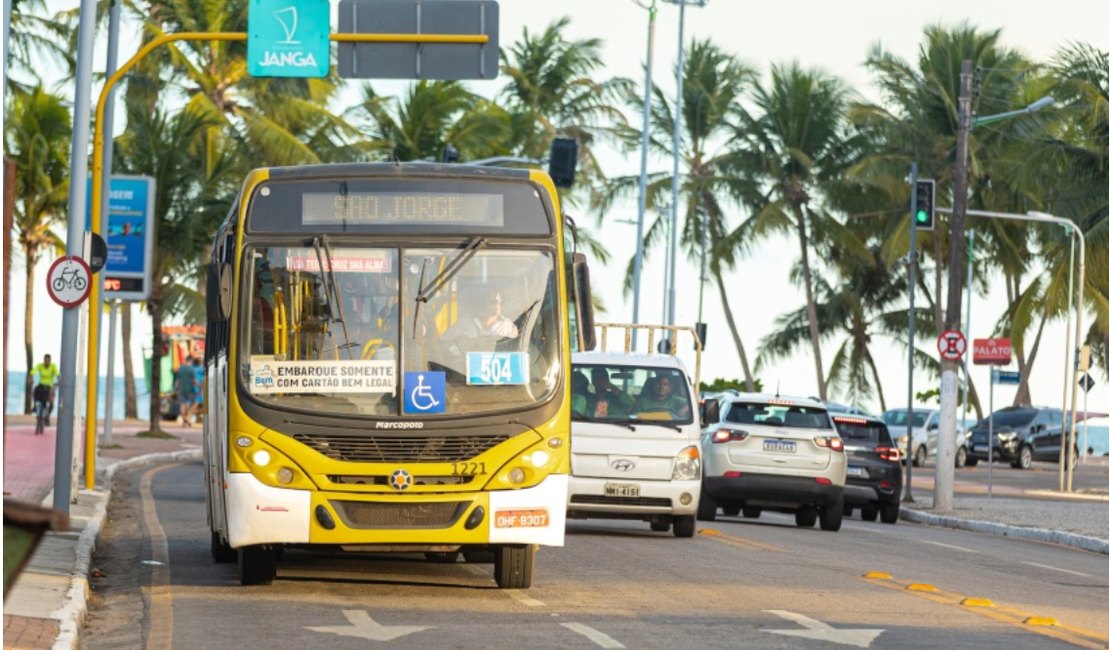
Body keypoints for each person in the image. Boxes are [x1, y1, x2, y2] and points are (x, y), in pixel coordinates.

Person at [443, 287, 519, 339]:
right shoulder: (464, 323)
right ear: (484, 303)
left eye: (500, 302)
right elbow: (444, 341)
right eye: (493, 302)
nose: (497, 305)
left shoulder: (507, 326)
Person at [31, 353, 60, 428]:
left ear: (50, 361)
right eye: (45, 360)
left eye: (48, 360)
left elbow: (57, 374)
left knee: (51, 401)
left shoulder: (53, 366)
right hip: (41, 385)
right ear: (44, 360)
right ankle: (34, 406)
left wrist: (57, 381)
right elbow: (33, 371)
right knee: (34, 390)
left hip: (49, 386)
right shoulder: (40, 365)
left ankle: (47, 416)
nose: (47, 362)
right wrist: (30, 377)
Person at [174, 356, 200, 427]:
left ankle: (184, 422)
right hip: (190, 390)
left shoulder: (181, 369)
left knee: (182, 404)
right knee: (194, 403)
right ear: (191, 361)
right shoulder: (192, 369)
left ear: (186, 360)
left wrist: (175, 389)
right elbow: (194, 381)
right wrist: (200, 386)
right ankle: (188, 418)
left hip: (181, 390)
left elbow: (178, 381)